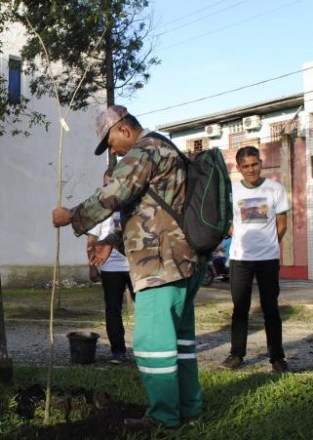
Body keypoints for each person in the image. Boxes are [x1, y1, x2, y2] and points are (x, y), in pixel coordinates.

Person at [52, 106, 203, 430]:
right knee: (181, 343)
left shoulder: (144, 149)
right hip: (184, 260)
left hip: (160, 265)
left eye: (109, 143)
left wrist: (72, 216)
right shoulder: (166, 148)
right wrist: (114, 241)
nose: (112, 151)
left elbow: (115, 193)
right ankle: (190, 408)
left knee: (152, 344)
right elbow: (152, 212)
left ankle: (164, 417)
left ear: (122, 129)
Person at [220, 145, 290, 373]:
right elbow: (227, 224)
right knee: (240, 309)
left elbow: (282, 224)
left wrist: (269, 244)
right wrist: (239, 237)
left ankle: (277, 358)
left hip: (268, 259)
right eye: (246, 166)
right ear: (239, 168)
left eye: (255, 164)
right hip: (240, 259)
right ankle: (237, 354)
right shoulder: (232, 191)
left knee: (271, 309)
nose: (251, 170)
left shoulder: (275, 189)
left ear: (261, 163)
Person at [86, 166, 134, 365]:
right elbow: (92, 238)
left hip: (136, 266)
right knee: (113, 310)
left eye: (113, 183)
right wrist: (92, 265)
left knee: (147, 309)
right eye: (106, 183)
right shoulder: (102, 208)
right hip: (110, 268)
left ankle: (149, 349)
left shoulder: (133, 203)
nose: (109, 187)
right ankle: (118, 351)